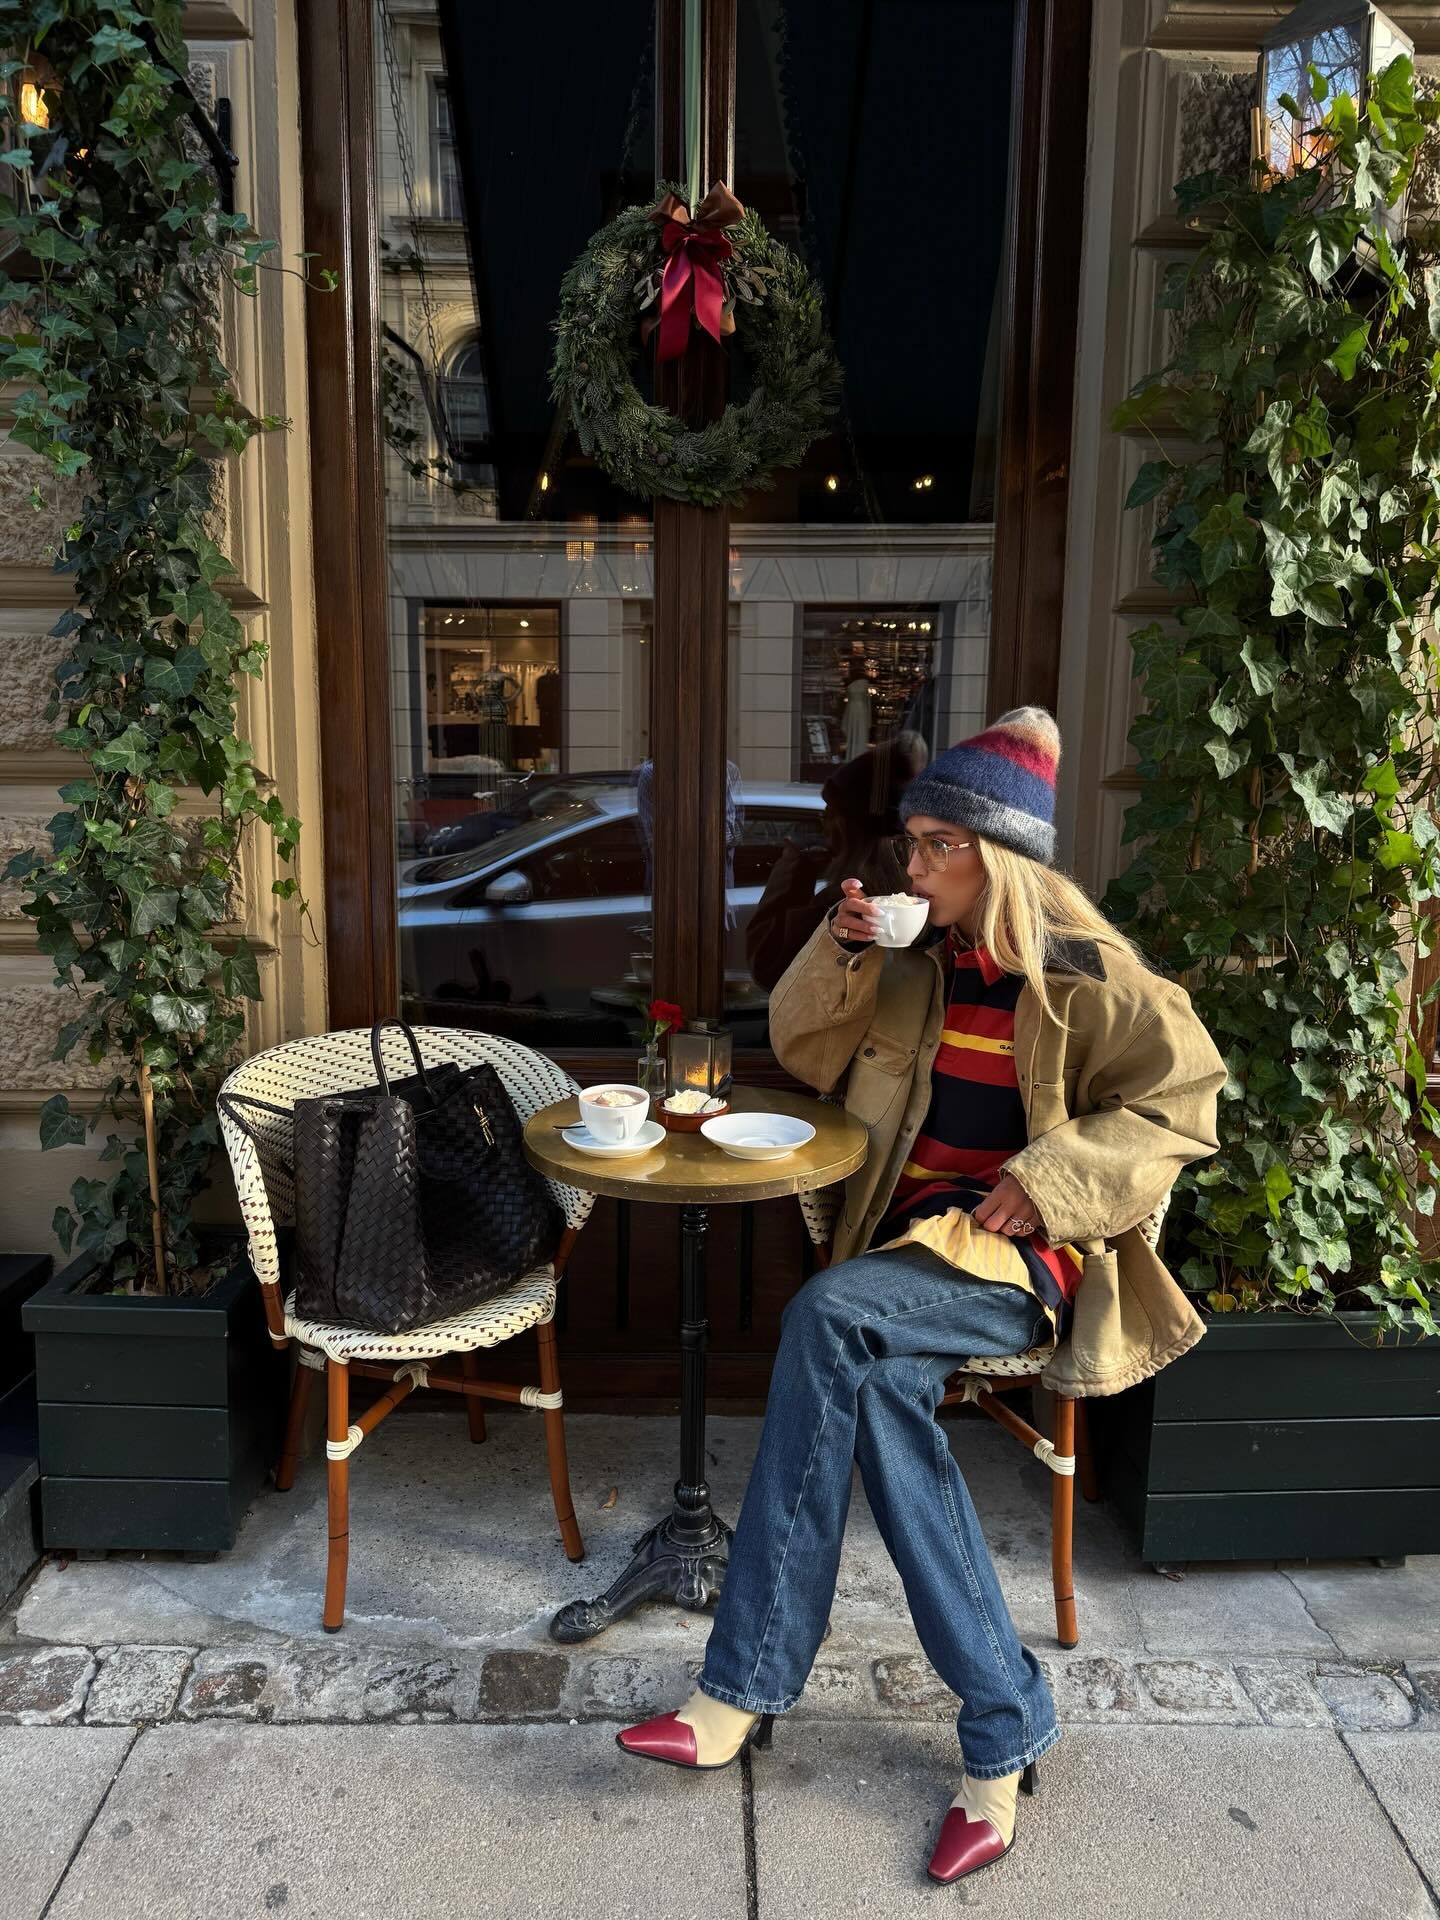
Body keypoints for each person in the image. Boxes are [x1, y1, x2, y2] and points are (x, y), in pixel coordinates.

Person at [614, 706, 1229, 1887]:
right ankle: (1003, 1727)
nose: (908, 865)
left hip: (1013, 1269)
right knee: (877, 1380)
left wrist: (1047, 1184)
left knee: (827, 1317)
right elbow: (798, 1052)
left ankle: (739, 1692)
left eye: (933, 844)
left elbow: (1183, 1107)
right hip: (901, 1254)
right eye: (909, 843)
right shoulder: (906, 957)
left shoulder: (1088, 979)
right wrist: (844, 946)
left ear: (994, 857)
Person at [744, 730, 929, 991]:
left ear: (847, 827)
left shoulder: (843, 903)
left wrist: (791, 874)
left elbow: (768, 968)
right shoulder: (915, 896)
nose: (825, 827)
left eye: (829, 815)